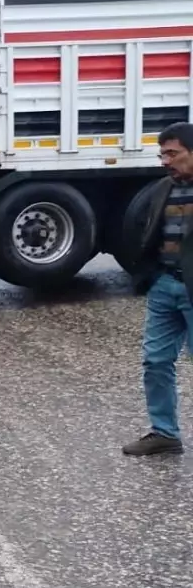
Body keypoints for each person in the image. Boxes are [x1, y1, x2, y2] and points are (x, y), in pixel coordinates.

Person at [119, 121, 193, 456]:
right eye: (162, 153)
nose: (165, 160)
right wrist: (148, 274)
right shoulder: (162, 189)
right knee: (156, 361)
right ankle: (165, 433)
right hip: (164, 285)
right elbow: (145, 231)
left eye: (173, 153)